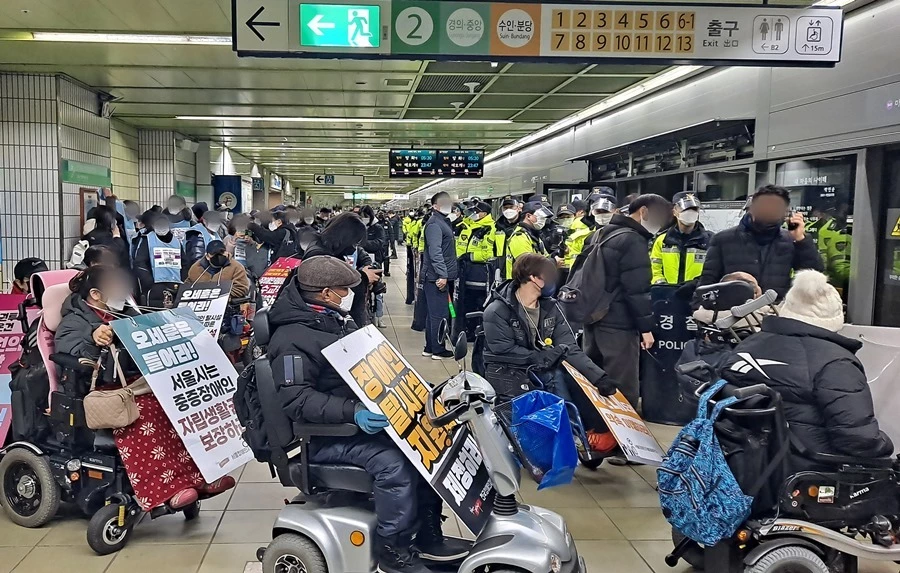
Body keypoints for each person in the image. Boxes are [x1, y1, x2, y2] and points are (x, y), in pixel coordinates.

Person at [268, 256, 469, 573]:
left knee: (428, 442)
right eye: (344, 289)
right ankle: (394, 549)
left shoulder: (333, 319)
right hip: (325, 436)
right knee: (395, 463)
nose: (350, 293)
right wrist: (354, 411)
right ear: (325, 293)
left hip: (355, 424)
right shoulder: (292, 338)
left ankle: (428, 534)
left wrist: (416, 389)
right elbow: (297, 399)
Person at [55, 266, 234, 511]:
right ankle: (168, 489)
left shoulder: (125, 312)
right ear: (96, 294)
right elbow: (67, 345)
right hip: (101, 388)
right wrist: (92, 336)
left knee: (179, 400)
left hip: (134, 381)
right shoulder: (75, 320)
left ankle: (200, 478)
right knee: (147, 411)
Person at [722, 270, 893, 468]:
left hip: (746, 462)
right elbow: (858, 439)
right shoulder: (835, 363)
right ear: (835, 318)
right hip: (809, 466)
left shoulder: (747, 346)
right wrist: (885, 445)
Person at [483, 254, 619, 453]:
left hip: (540, 364)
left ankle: (589, 429)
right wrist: (537, 358)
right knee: (555, 376)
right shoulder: (497, 310)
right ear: (531, 278)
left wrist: (599, 377)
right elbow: (502, 349)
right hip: (508, 368)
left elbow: (570, 348)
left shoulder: (550, 308)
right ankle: (573, 434)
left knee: (576, 375)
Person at [582, 193, 672, 409]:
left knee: (593, 377)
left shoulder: (599, 234)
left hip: (593, 317)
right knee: (622, 383)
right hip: (619, 323)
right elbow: (637, 290)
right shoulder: (633, 240)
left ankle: (595, 428)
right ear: (643, 212)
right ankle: (621, 438)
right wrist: (646, 328)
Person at [699, 185, 824, 300]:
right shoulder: (723, 239)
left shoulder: (790, 240)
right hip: (734, 314)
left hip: (776, 313)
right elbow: (707, 281)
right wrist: (700, 311)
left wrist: (801, 240)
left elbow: (813, 279)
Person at [302, 212, 380, 327]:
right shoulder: (320, 256)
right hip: (323, 320)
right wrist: (364, 278)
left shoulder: (322, 247)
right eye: (354, 242)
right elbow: (335, 285)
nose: (354, 248)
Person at [421, 192, 458, 359]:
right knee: (440, 314)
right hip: (436, 277)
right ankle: (438, 349)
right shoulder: (435, 224)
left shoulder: (443, 222)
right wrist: (442, 275)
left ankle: (430, 347)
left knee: (433, 314)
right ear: (435, 206)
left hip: (440, 275)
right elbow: (435, 252)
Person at [650, 192, 712, 285]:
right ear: (674, 211)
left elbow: (713, 271)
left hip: (697, 294)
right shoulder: (662, 240)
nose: (690, 212)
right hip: (669, 293)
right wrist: (662, 286)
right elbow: (654, 270)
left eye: (694, 209)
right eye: (685, 209)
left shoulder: (710, 241)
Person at [131, 212, 183, 307]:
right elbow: (140, 262)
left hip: (176, 286)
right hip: (154, 287)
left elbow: (185, 263)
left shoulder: (177, 242)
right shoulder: (147, 239)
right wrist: (149, 283)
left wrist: (183, 282)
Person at [503, 201, 552, 279]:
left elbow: (544, 258)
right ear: (528, 216)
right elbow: (527, 267)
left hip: (532, 284)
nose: (543, 220)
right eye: (540, 217)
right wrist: (554, 262)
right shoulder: (519, 237)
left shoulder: (533, 235)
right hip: (520, 286)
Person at [185, 240, 250, 299]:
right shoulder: (196, 268)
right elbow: (187, 286)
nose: (219, 256)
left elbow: (242, 288)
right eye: (214, 254)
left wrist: (219, 295)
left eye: (222, 252)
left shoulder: (236, 267)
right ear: (207, 256)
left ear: (226, 252)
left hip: (227, 306)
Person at [183, 207, 224, 272]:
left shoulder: (216, 235)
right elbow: (196, 258)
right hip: (201, 273)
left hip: (215, 272)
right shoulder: (196, 234)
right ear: (204, 221)